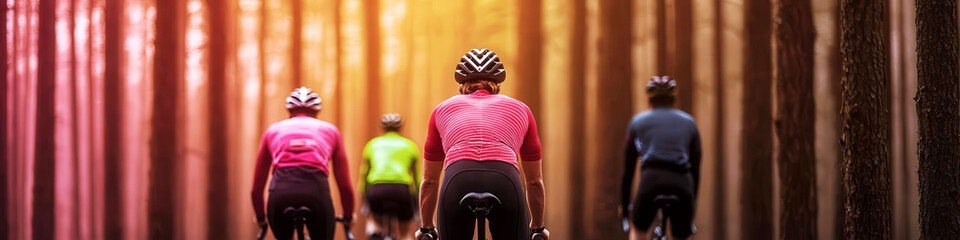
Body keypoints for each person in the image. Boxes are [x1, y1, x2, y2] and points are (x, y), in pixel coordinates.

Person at [416, 49, 550, 240]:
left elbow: (429, 181)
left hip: (458, 178)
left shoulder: (441, 109)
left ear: (462, 84)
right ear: (497, 84)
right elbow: (534, 182)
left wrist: (426, 228)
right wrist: (537, 227)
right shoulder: (522, 109)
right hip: (504, 179)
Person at [250, 87, 356, 240]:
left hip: (280, 192)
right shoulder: (331, 130)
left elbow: (256, 188)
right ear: (316, 112)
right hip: (316, 191)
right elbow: (344, 185)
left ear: (290, 111)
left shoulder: (272, 131)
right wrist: (348, 216)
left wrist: (261, 218)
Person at [620, 76, 701, 240]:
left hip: (651, 180)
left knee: (638, 230)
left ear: (650, 100)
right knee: (681, 236)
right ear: (673, 100)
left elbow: (628, 172)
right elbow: (695, 169)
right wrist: (689, 208)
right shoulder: (690, 123)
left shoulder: (637, 122)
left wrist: (625, 208)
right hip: (682, 182)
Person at [359, 113, 421, 240]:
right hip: (401, 190)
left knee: (373, 221)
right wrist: (417, 201)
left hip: (377, 189)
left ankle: (374, 233)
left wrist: (364, 196)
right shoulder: (410, 145)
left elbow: (364, 174)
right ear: (400, 127)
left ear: (383, 128)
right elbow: (417, 178)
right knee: (404, 232)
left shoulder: (372, 144)